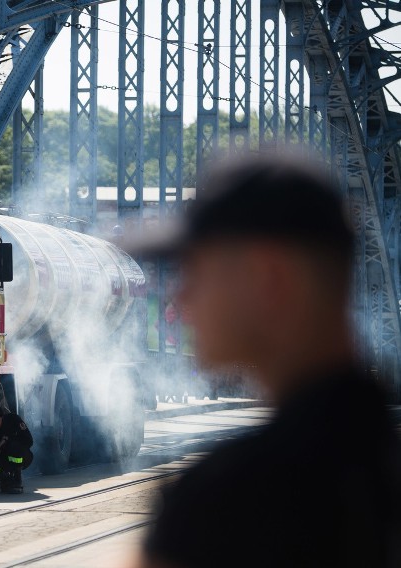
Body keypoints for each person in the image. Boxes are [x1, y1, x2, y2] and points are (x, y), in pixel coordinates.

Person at [134, 152, 401, 568]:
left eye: (194, 271)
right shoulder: (378, 465)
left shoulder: (228, 503)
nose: (179, 298)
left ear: (268, 278)